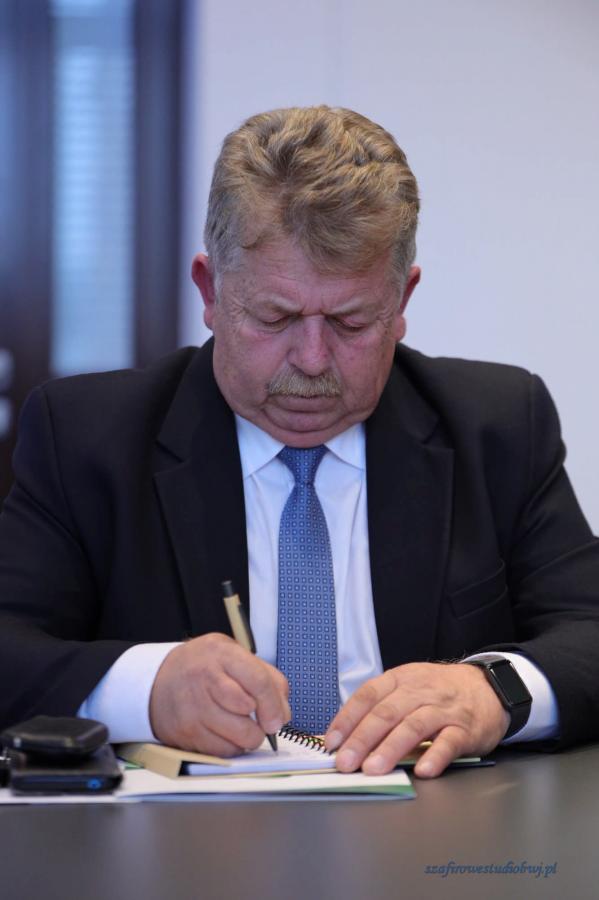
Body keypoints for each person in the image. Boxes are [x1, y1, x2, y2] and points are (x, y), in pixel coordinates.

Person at [1, 106, 598, 779]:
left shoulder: (498, 426)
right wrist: (146, 688)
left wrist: (491, 690)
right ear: (209, 289)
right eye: (274, 316)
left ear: (402, 300)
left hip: (437, 824)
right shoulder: (87, 437)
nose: (312, 361)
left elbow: (588, 628)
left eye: (350, 322)